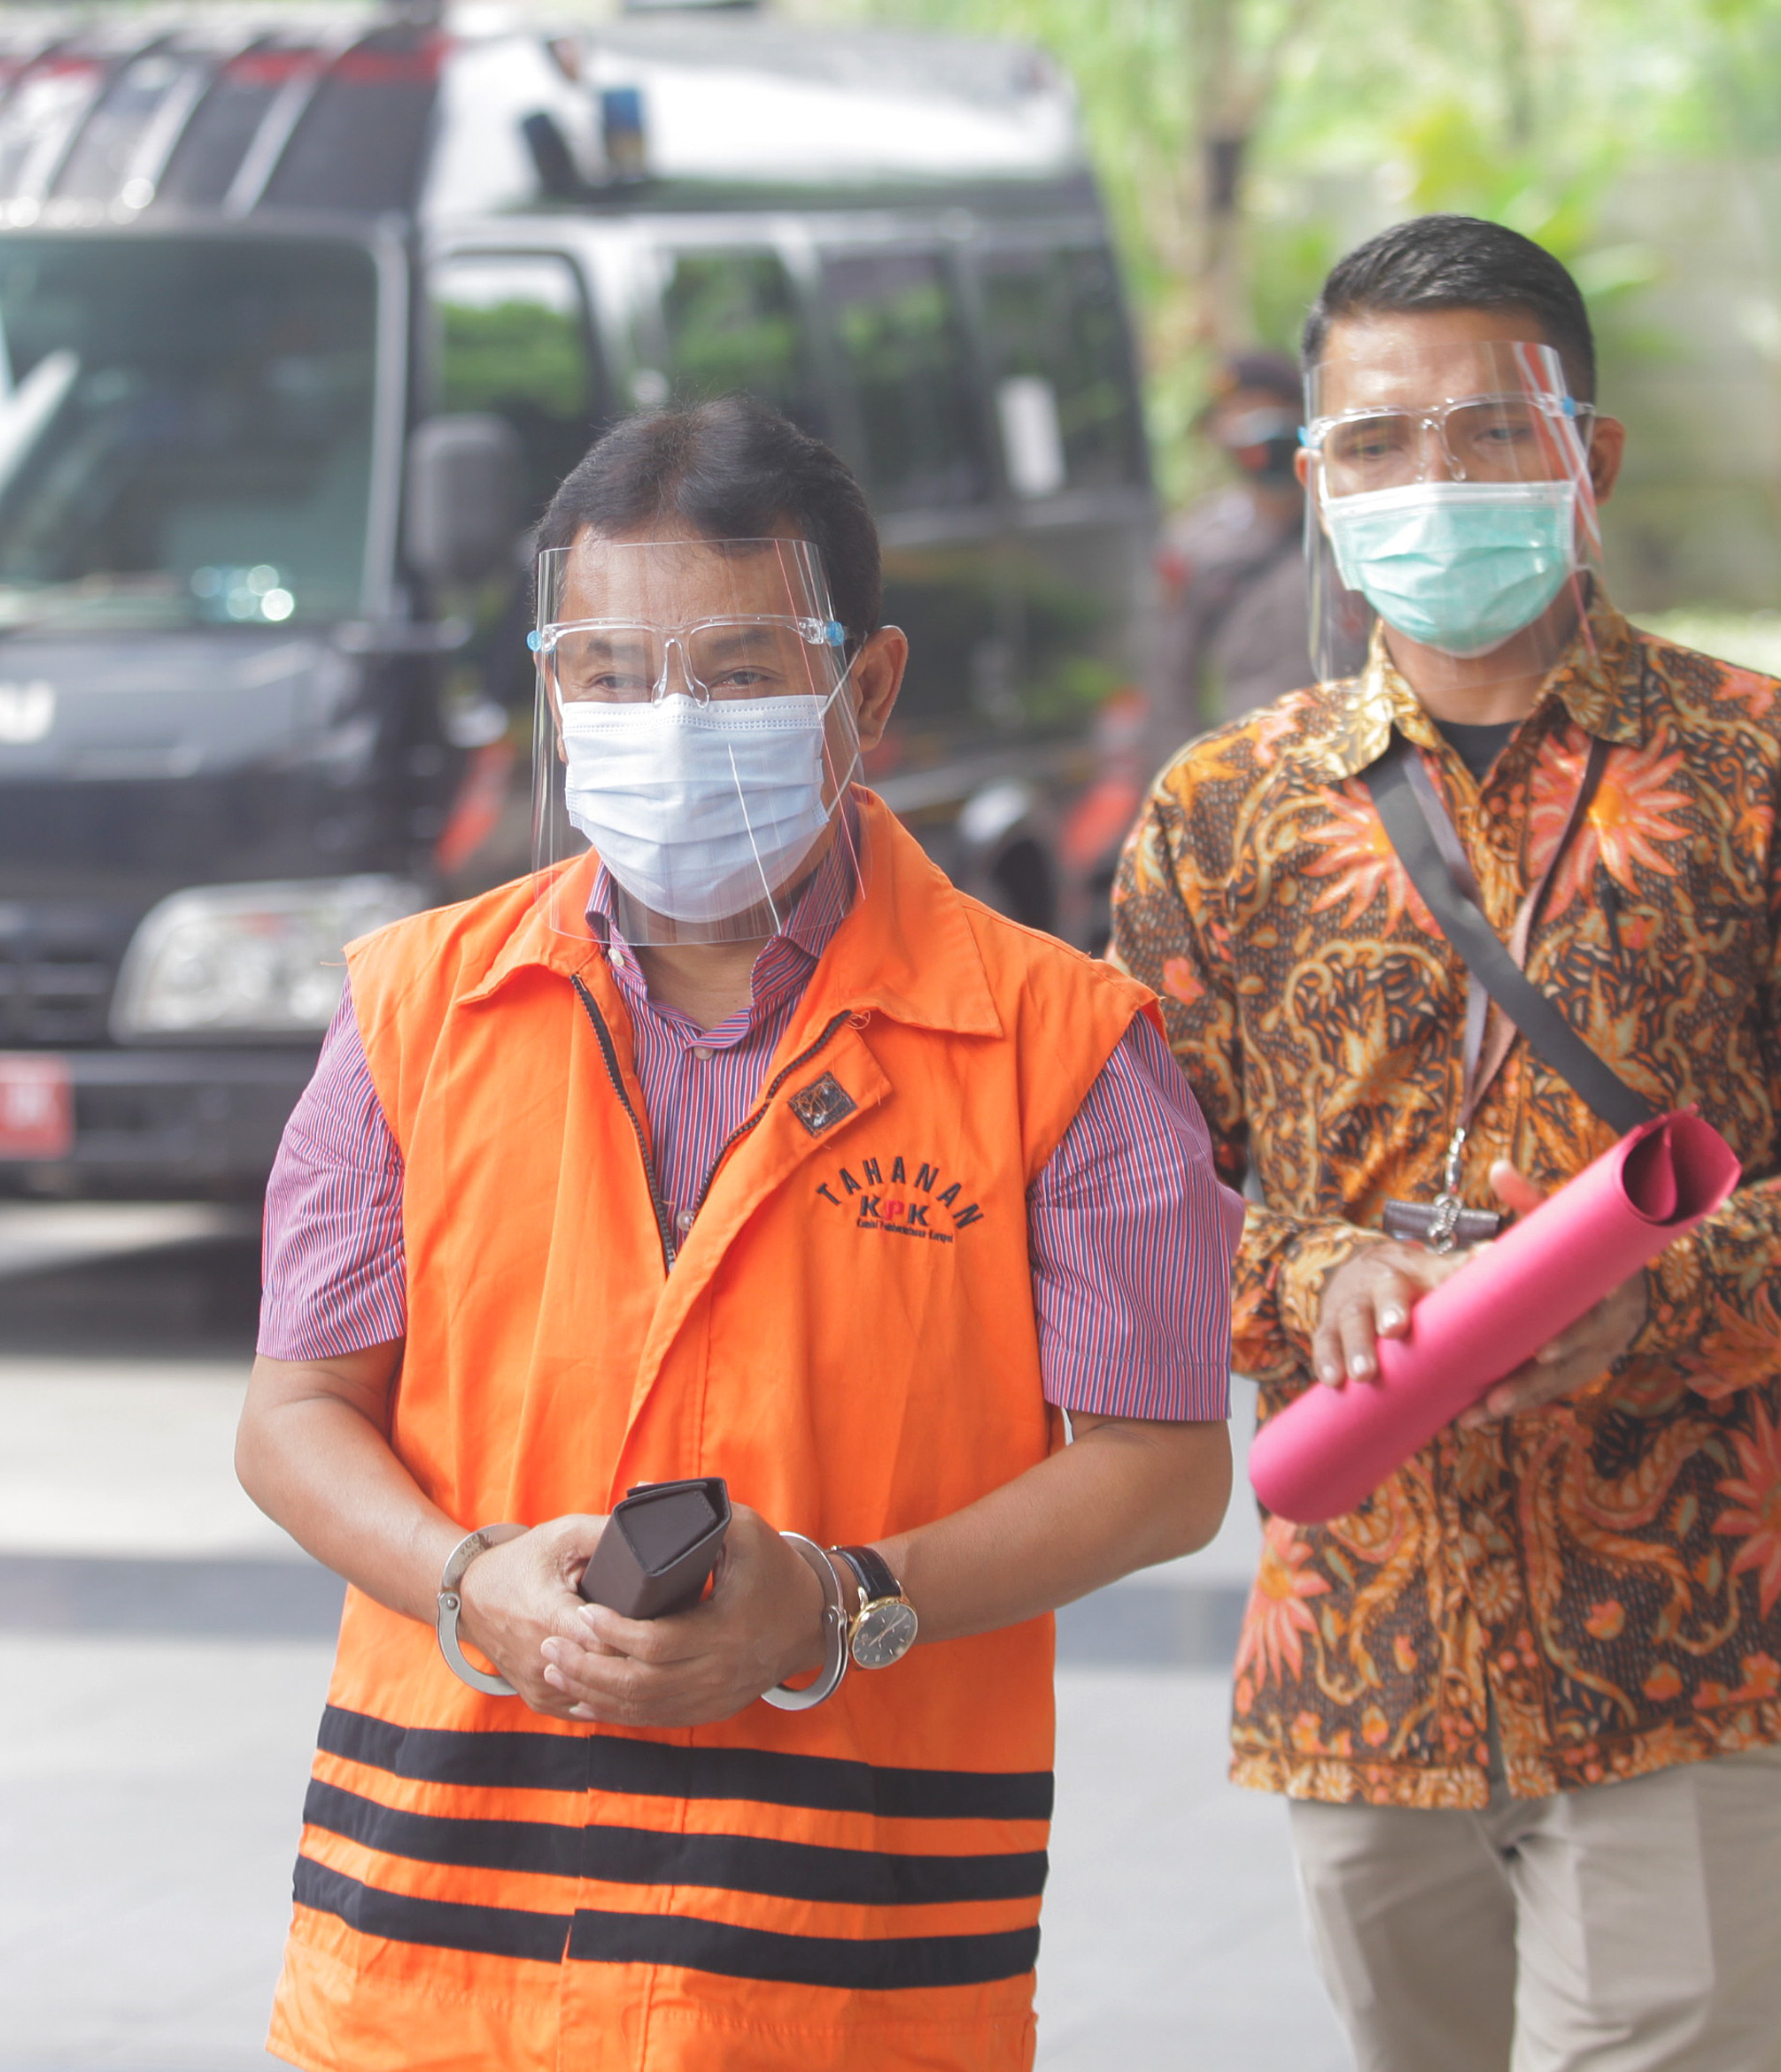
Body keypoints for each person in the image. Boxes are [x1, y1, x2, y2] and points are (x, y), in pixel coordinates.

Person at [240, 396, 1244, 2072]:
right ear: (553, 690)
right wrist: (471, 1581)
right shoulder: (412, 1008)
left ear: (869, 688)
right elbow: (294, 1412)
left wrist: (840, 1600)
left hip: (834, 1973)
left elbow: (1162, 1466)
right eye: (608, 673)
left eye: (735, 669)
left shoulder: (1060, 1042)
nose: (666, 722)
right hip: (436, 1952)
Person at [1111, 214, 1781, 2072]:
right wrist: (1315, 1272)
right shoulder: (1219, 814)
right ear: (1315, 480)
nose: (1432, 480)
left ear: (1590, 454)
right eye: (1375, 440)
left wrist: (1659, 1293)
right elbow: (1129, 1198)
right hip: (1366, 1620)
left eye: (1490, 432)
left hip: (1697, 1615)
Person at [1144, 348, 1352, 758]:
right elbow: (1171, 674)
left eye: (1266, 409)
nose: (1254, 427)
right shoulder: (1197, 542)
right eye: (1236, 414)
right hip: (1257, 757)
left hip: (1361, 746)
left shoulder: (1350, 521)